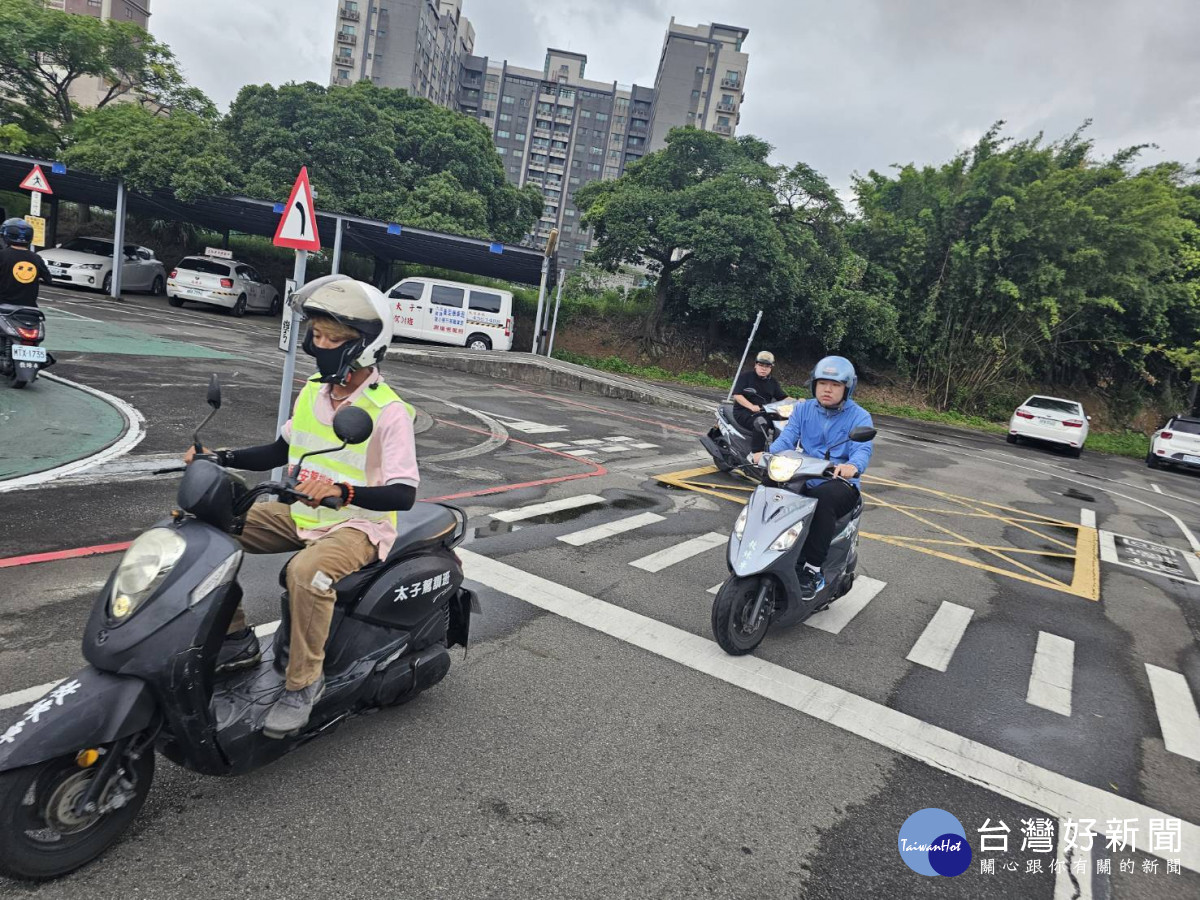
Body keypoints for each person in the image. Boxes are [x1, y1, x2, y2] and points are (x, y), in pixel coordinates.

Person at [184, 274, 419, 738]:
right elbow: (280, 450)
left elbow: (403, 493)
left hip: (358, 526)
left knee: (305, 574)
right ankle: (234, 639)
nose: (323, 344)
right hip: (302, 514)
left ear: (365, 346)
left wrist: (343, 492)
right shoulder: (314, 389)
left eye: (335, 337)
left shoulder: (389, 411)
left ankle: (303, 684)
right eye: (317, 335)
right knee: (209, 526)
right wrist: (220, 457)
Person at [753, 355, 874, 602]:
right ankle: (758, 549)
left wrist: (852, 466)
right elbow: (788, 439)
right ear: (813, 385)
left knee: (822, 499)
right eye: (822, 383)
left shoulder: (860, 417)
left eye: (835, 385)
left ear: (847, 388)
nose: (827, 389)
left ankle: (812, 570)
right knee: (768, 488)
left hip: (840, 483)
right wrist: (768, 455)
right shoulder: (803, 409)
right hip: (803, 474)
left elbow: (862, 450)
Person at [732, 351, 788, 452]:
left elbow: (782, 397)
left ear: (771, 367)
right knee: (761, 423)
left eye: (767, 366)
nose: (763, 368)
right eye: (760, 365)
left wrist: (799, 402)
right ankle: (757, 454)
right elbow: (737, 395)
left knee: (784, 423)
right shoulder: (746, 377)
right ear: (755, 365)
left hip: (764, 411)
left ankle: (779, 450)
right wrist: (751, 406)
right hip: (744, 412)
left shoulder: (773, 382)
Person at [0, 218, 52, 307]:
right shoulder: (37, 258)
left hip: (3, 307)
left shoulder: (2, 255)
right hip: (29, 309)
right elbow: (48, 279)